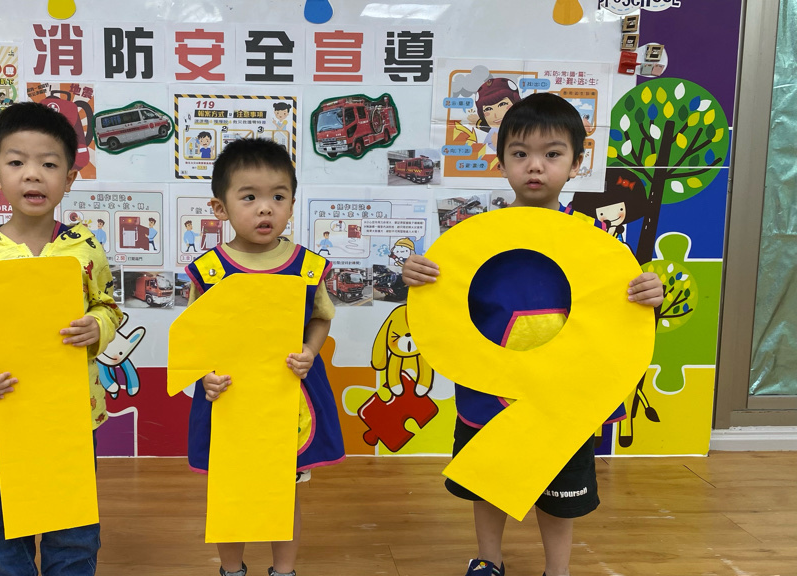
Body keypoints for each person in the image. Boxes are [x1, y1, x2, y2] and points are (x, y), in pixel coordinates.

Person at [402, 93, 664, 576]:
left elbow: (621, 310)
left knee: (561, 491)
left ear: (577, 163)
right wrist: (420, 276)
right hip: (491, 383)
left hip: (564, 391)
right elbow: (445, 302)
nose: (535, 166)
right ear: (501, 162)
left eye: (552, 153)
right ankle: (488, 559)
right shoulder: (473, 240)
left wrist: (649, 292)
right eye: (520, 153)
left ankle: (557, 570)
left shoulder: (598, 241)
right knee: (487, 478)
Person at [0, 101, 123, 576]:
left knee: (73, 525)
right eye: (16, 162)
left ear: (70, 178)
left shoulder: (83, 247)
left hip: (69, 414)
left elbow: (108, 306)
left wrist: (97, 327)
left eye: (49, 164)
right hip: (0, 416)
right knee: (1, 524)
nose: (33, 175)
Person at [183, 138, 345, 576]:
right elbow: (195, 336)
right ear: (220, 208)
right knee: (230, 492)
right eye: (249, 197)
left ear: (292, 203)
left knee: (283, 491)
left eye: (278, 196)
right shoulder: (209, 271)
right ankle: (231, 569)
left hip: (286, 399)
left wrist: (310, 351)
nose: (265, 208)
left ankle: (284, 570)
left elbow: (321, 318)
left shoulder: (307, 266)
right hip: (229, 400)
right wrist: (205, 374)